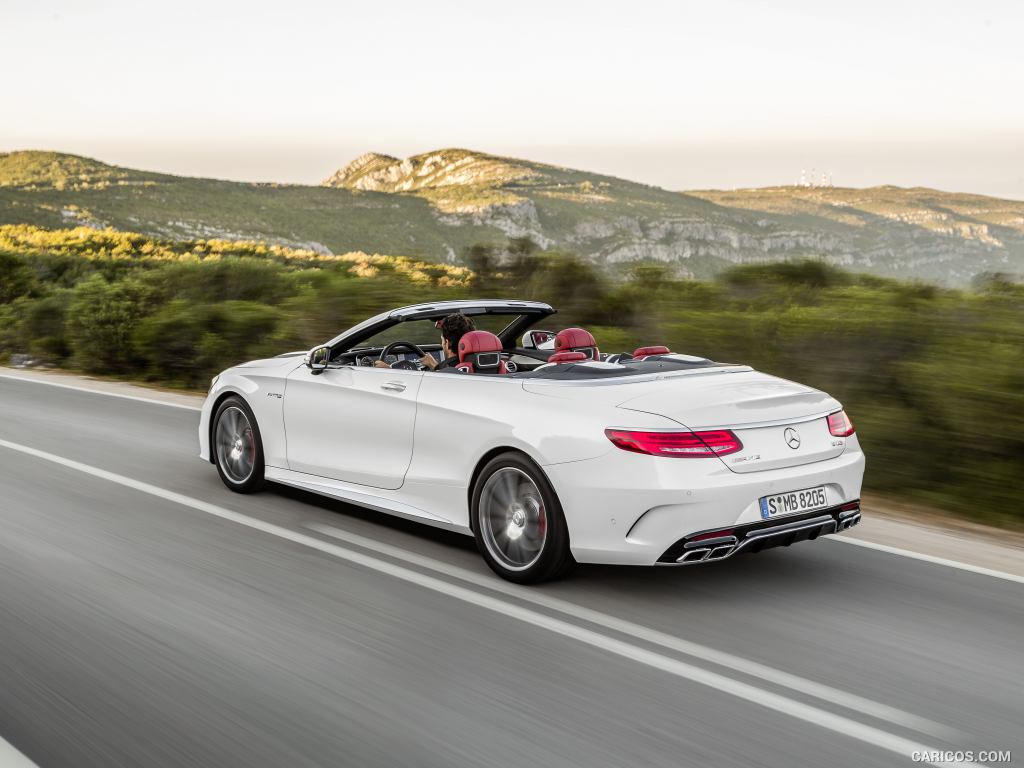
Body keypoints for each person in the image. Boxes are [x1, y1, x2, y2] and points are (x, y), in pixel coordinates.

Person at [374, 313, 475, 370]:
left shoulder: (447, 373)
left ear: (447, 343)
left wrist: (388, 369)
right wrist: (435, 365)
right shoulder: (478, 364)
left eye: (442, 340)